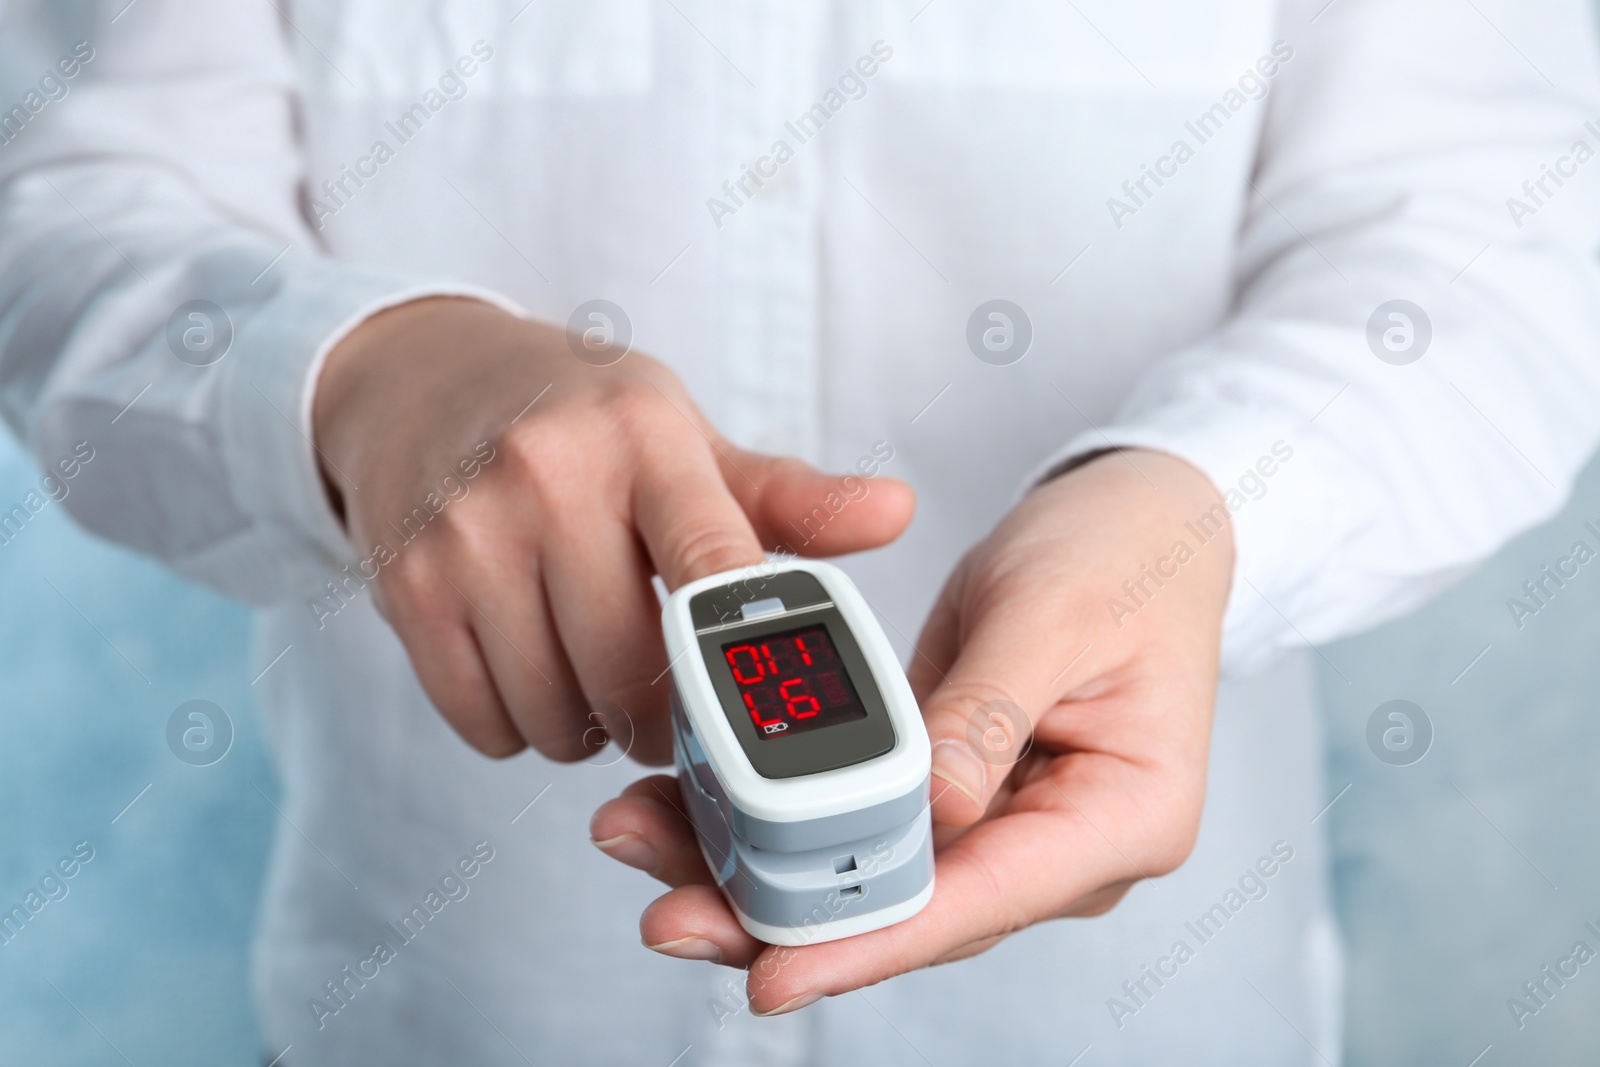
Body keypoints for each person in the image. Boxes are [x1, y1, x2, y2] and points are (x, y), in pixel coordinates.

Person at [3, 0, 1599, 1063]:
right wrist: (350, 375)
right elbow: (66, 205)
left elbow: (1500, 229)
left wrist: (1207, 498)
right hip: (454, 1007)